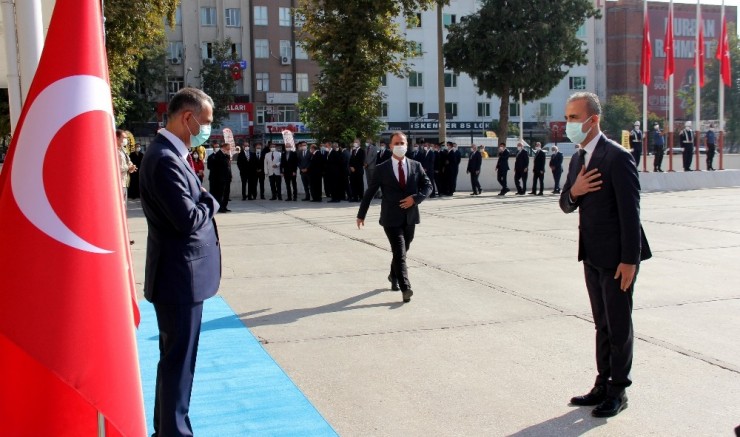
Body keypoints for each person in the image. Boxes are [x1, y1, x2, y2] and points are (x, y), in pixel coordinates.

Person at [559, 92, 652, 418]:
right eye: (567, 117)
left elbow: (631, 213)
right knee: (602, 325)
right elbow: (565, 204)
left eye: (573, 117)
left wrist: (630, 260)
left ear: (593, 119)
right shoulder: (577, 158)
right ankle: (602, 383)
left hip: (618, 259)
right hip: (592, 255)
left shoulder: (617, 156)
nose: (568, 124)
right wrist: (575, 191)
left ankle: (618, 390)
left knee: (619, 325)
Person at [138, 87, 221, 436]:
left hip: (182, 276)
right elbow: (187, 217)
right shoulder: (164, 159)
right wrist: (211, 203)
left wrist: (202, 199)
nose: (208, 129)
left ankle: (168, 428)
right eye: (205, 122)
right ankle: (173, 432)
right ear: (187, 118)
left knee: (177, 362)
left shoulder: (173, 154)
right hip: (178, 278)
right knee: (178, 364)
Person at [357, 132, 432, 303]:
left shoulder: (416, 165)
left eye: (403, 143)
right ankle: (406, 287)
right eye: (396, 143)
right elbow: (370, 192)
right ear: (390, 146)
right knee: (399, 250)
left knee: (403, 251)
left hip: (410, 217)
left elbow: (428, 186)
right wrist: (361, 214)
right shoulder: (382, 168)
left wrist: (416, 198)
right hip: (391, 218)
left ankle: (393, 276)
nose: (400, 146)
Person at [209, 142, 233, 213]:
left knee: (226, 193)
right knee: (220, 194)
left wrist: (230, 175)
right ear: (223, 148)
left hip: (227, 178)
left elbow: (228, 167)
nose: (229, 150)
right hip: (221, 178)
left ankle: (225, 206)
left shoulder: (226, 155)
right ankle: (220, 207)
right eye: (227, 148)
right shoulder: (218, 155)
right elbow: (218, 166)